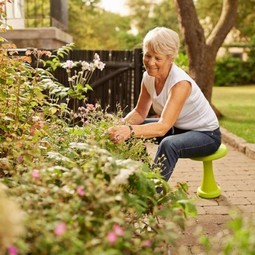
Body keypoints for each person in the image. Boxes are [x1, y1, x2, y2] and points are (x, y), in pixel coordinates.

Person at [108, 26, 221, 182]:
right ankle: (143, 177)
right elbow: (140, 113)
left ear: (170, 58)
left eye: (157, 58)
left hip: (206, 135)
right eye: (147, 56)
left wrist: (129, 130)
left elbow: (162, 127)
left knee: (169, 145)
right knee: (132, 132)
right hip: (178, 128)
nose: (150, 62)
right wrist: (119, 127)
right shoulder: (148, 77)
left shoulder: (180, 84)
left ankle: (153, 194)